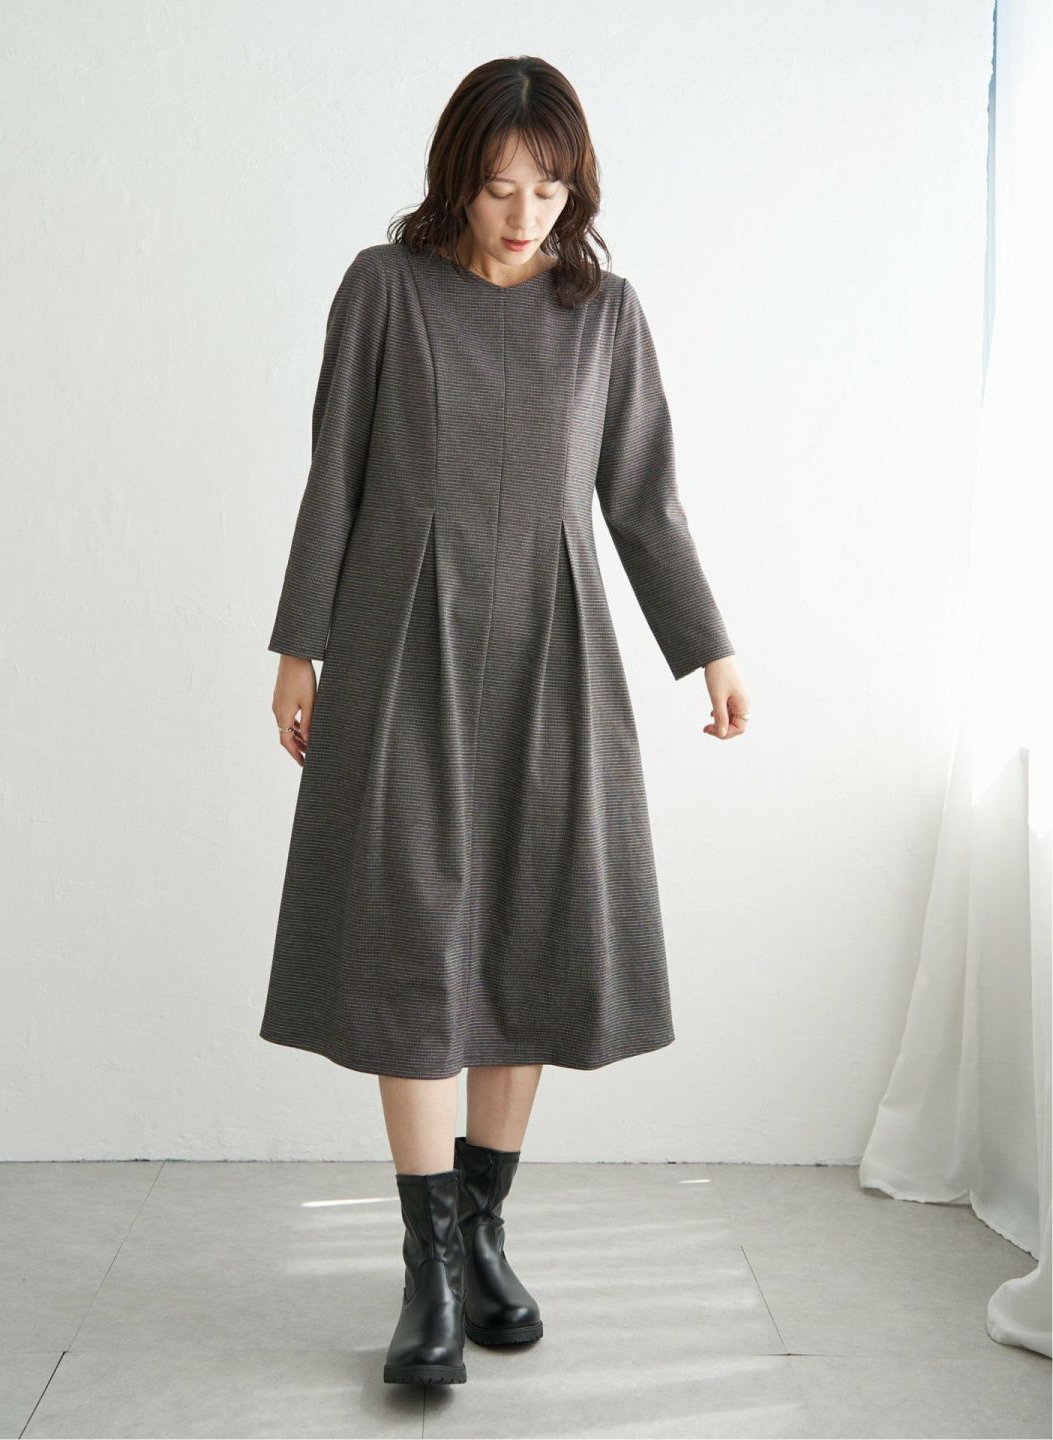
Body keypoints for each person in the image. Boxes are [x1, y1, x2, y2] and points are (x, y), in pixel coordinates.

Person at [262, 55, 751, 1388]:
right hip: (397, 647)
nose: (526, 212)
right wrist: (300, 646)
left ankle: (481, 1234)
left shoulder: (606, 315)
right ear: (455, 180)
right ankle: (426, 1271)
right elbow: (335, 472)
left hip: (553, 652)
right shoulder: (384, 289)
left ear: (576, 186)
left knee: (530, 932)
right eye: (498, 186)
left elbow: (642, 499)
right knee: (409, 942)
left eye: (550, 186)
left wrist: (706, 648)